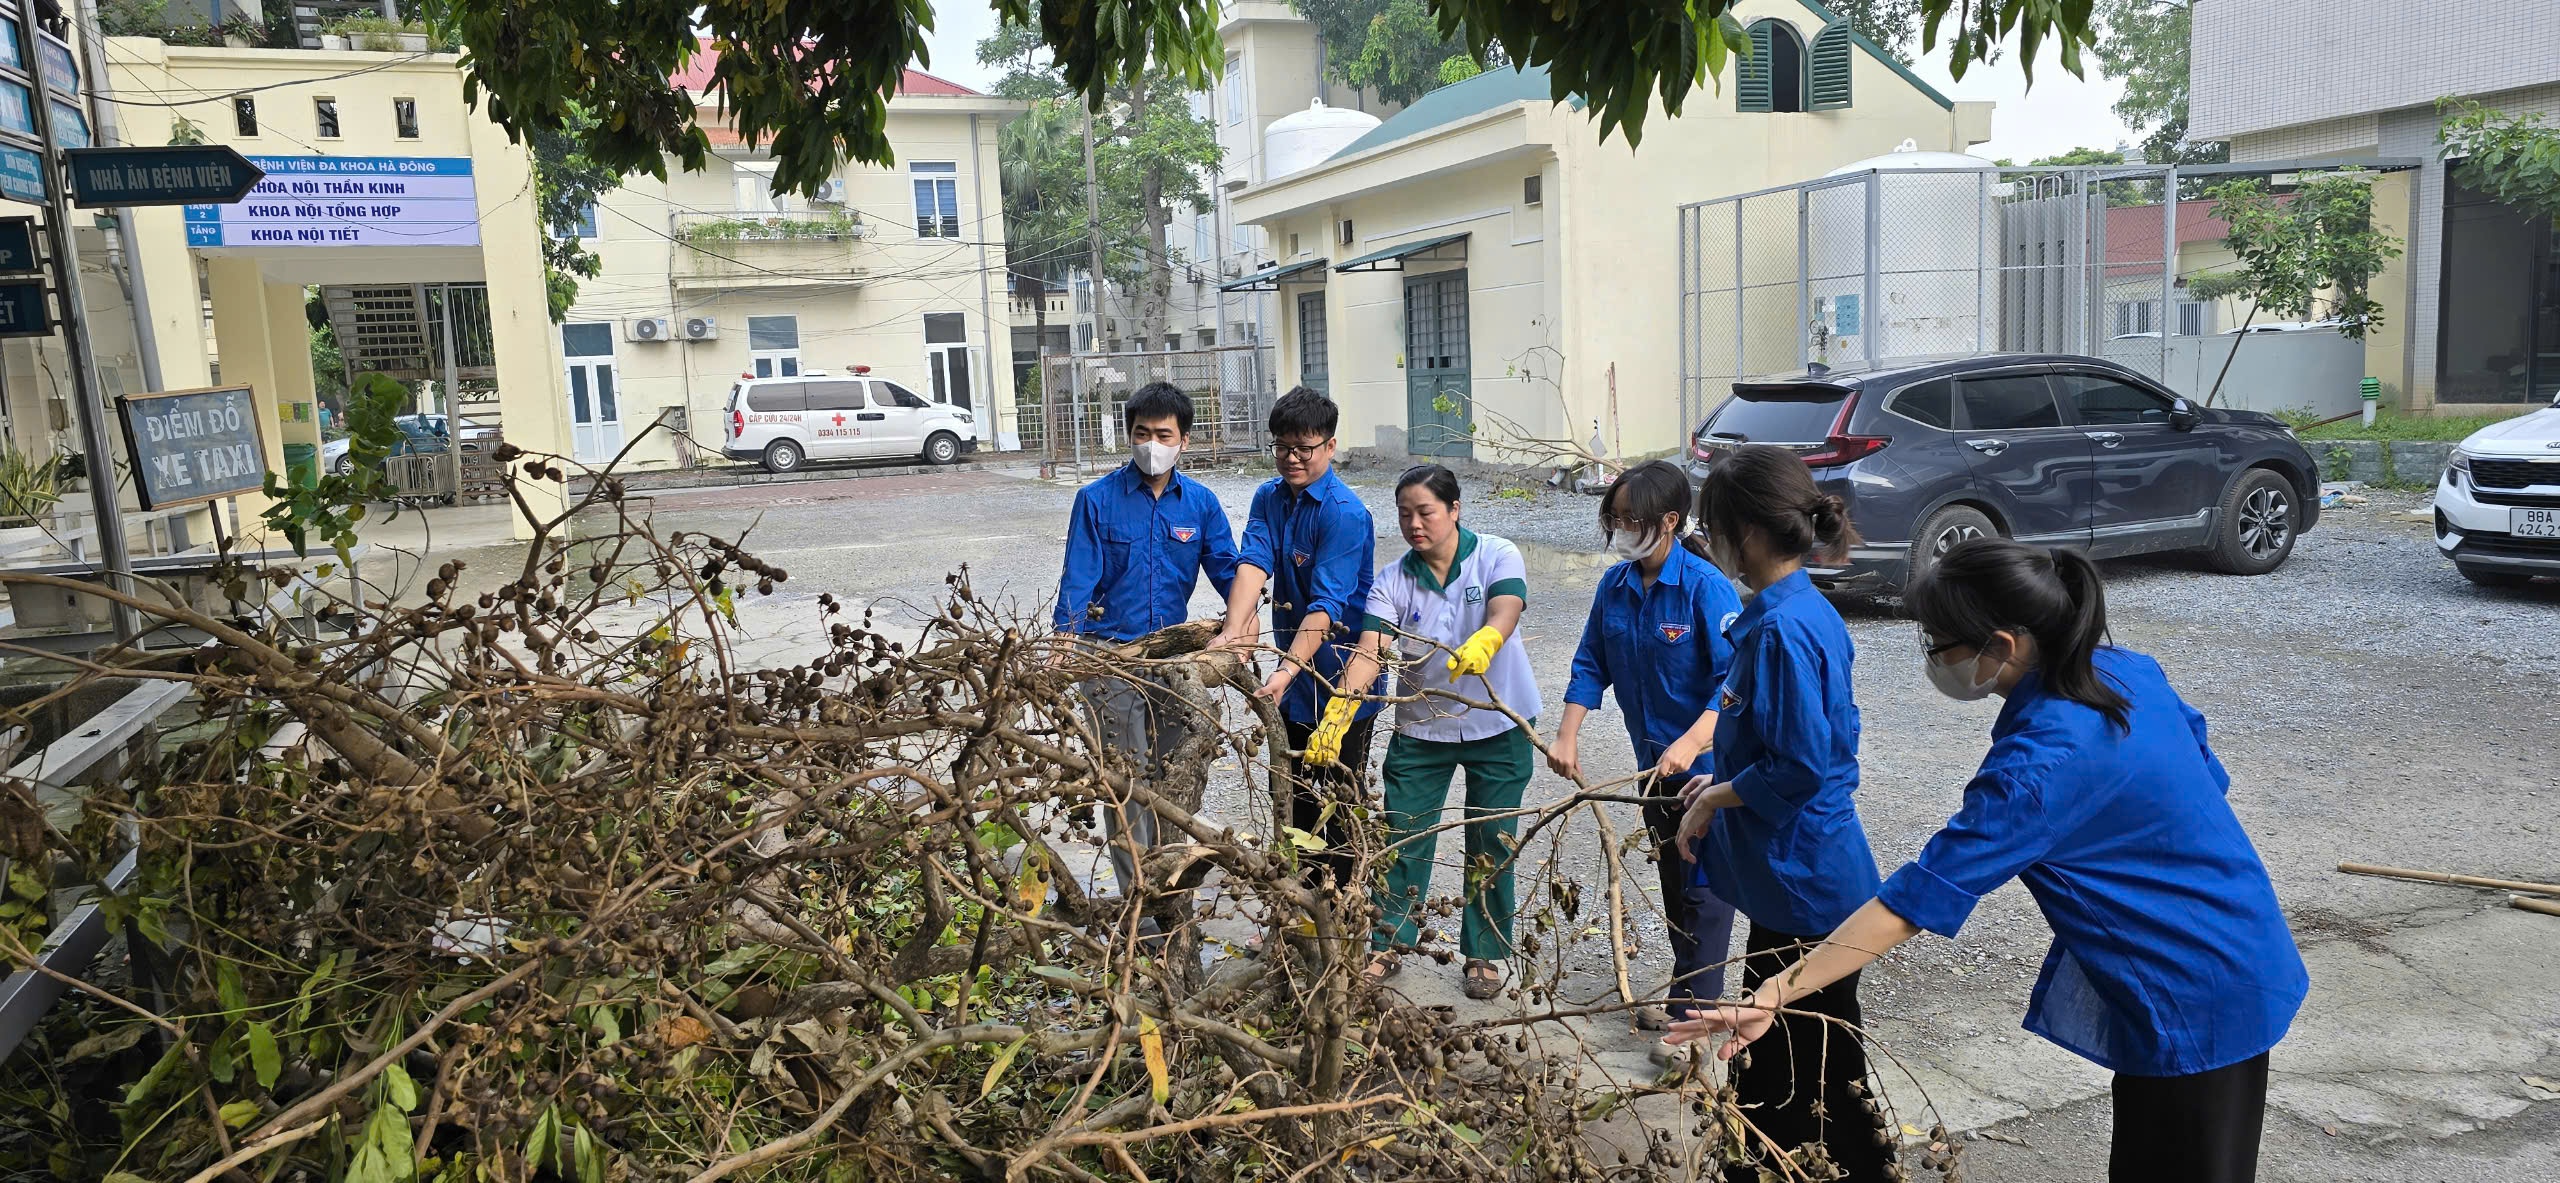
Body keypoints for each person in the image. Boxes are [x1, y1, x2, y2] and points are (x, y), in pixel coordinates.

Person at [1673, 538, 2308, 1183]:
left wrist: (1776, 992)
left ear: (2004, 645)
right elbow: (2208, 777)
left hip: (2192, 989)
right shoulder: (2124, 671)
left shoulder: (2040, 767)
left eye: (1938, 645)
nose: (1931, 659)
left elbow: (1915, 899)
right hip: (2232, 944)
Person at [1669, 443, 1887, 1183]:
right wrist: (1716, 795)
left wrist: (1714, 795)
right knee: (1803, 1062)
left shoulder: (1784, 629)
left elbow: (1799, 765)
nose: (1713, 541)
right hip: (1796, 878)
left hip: (1806, 884)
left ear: (1749, 534)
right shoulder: (1789, 612)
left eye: (1715, 525)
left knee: (1799, 1072)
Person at [1317, 465, 1539, 999]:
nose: (1415, 524)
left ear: (1454, 510)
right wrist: (1340, 709)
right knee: (1403, 835)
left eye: (1426, 512)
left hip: (1497, 722)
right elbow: (1372, 650)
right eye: (1405, 513)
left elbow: (1507, 606)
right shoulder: (1392, 580)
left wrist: (1488, 637)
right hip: (1422, 728)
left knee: (1492, 839)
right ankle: (1390, 941)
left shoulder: (1496, 554)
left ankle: (1484, 953)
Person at [1551, 460, 1744, 1038]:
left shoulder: (1706, 589)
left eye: (1631, 519)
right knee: (1673, 886)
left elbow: (1735, 684)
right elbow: (1591, 662)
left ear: (1670, 520)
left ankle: (1692, 1025)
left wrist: (1691, 741)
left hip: (1708, 773)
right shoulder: (1615, 587)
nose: (1621, 530)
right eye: (1615, 519)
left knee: (1705, 894)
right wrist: (1567, 732)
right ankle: (1690, 999)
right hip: (1653, 769)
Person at [1054, 382, 1239, 906]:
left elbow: (1229, 571)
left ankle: (1169, 887)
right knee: (1125, 783)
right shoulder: (1095, 501)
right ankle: (1139, 899)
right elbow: (1078, 580)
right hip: (1108, 658)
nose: (1151, 444)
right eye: (1142, 433)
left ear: (1184, 440)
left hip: (1174, 658)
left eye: (1163, 434)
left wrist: (1241, 629)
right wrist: (1063, 646)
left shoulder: (1200, 505)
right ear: (1129, 436)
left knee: (1171, 777)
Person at [1214, 387, 1384, 892]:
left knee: (1337, 807)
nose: (1291, 458)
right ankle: (1295, 913)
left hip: (1341, 681)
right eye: (1282, 446)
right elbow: (1253, 564)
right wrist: (1231, 631)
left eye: (1303, 448)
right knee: (1291, 800)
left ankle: (1340, 918)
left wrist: (1286, 671)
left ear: (1330, 447)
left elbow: (1327, 608)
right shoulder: (1268, 496)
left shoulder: (1344, 513)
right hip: (1289, 684)